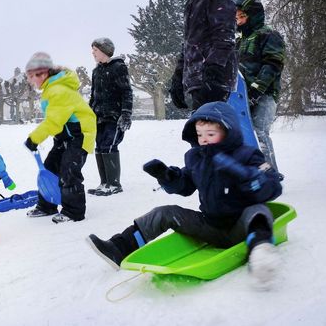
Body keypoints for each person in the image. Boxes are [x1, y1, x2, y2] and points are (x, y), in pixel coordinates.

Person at [87, 101, 283, 287]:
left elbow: (273, 185)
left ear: (228, 132)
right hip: (211, 227)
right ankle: (119, 247)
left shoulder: (247, 155)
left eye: (210, 134)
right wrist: (167, 177)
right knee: (163, 213)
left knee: (258, 211)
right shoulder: (196, 158)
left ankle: (261, 253)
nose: (204, 140)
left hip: (242, 226)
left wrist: (245, 175)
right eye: (199, 134)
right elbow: (185, 185)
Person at [23, 52, 96, 223]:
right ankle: (46, 206)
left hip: (79, 136)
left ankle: (74, 212)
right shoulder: (51, 89)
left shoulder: (58, 90)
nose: (31, 80)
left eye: (33, 76)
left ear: (44, 73)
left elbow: (54, 121)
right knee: (49, 167)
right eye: (29, 77)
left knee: (69, 170)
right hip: (65, 136)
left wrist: (34, 139)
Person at [170, 0, 238, 111]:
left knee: (210, 135)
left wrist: (213, 73)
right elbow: (190, 44)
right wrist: (178, 78)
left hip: (212, 80)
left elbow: (224, 37)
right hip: (198, 80)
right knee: (202, 135)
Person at [235, 0, 286, 172]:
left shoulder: (269, 35)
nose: (239, 21)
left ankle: (271, 173)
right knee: (244, 134)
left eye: (242, 16)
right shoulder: (239, 40)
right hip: (242, 96)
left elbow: (273, 64)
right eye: (237, 17)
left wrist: (258, 89)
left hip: (265, 94)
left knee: (260, 132)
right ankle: (252, 172)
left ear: (253, 15)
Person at [88, 37, 133, 196]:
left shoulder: (118, 67)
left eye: (95, 50)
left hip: (114, 116)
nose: (93, 53)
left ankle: (114, 184)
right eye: (92, 50)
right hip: (98, 116)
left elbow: (126, 91)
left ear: (105, 51)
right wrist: (89, 114)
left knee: (109, 145)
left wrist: (126, 113)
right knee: (99, 146)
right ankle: (104, 183)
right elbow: (93, 96)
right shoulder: (96, 71)